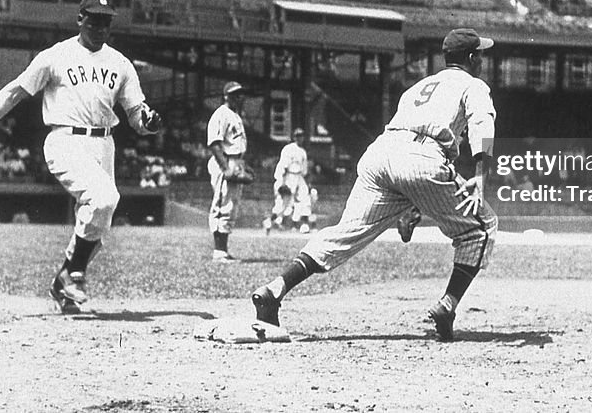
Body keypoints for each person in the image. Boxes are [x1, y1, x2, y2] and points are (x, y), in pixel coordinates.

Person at [251, 28, 499, 341]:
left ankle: (275, 290)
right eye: (481, 55)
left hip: (381, 153)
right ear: (473, 58)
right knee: (481, 228)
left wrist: (412, 204)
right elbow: (482, 125)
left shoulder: (419, 86)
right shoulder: (473, 85)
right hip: (422, 154)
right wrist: (480, 175)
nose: (483, 62)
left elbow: (405, 164)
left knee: (343, 234)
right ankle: (448, 305)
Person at [0, 0, 162, 314]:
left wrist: (148, 120)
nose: (99, 27)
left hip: (104, 142)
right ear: (80, 19)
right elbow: (15, 92)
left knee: (100, 220)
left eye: (105, 22)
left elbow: (136, 113)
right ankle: (75, 275)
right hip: (65, 139)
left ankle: (63, 281)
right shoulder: (56, 55)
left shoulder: (120, 63)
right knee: (104, 199)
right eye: (94, 20)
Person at [207, 81, 249, 262]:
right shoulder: (221, 114)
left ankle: (223, 250)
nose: (239, 97)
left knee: (231, 207)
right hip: (224, 160)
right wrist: (225, 168)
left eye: (240, 93)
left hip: (235, 161)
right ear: (226, 96)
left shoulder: (235, 115)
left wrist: (241, 166)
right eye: (235, 94)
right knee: (221, 206)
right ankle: (218, 251)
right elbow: (215, 143)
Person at [265, 128, 312, 234]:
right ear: (294, 137)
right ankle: (269, 221)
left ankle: (304, 225)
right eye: (297, 136)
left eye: (301, 136)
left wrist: (307, 183)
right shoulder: (288, 149)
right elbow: (283, 166)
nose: (300, 138)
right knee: (283, 203)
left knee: (305, 199)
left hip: (299, 177)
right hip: (289, 176)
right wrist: (281, 183)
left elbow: (304, 171)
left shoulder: (303, 152)